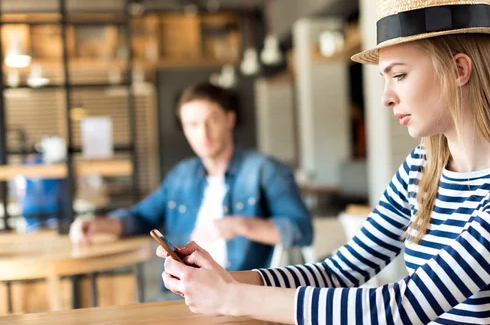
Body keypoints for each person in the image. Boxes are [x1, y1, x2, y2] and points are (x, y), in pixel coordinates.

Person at [156, 0, 490, 325]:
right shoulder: (425, 166)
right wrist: (224, 278)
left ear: (458, 69)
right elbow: (338, 273)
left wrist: (233, 298)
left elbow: (402, 309)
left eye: (398, 75)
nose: (385, 97)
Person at [70, 81, 313, 271]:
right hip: (183, 292)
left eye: (211, 121)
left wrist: (237, 224)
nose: (203, 133)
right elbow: (141, 217)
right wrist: (98, 224)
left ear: (230, 119)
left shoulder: (264, 170)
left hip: (240, 291)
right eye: (192, 125)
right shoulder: (182, 175)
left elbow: (301, 231)